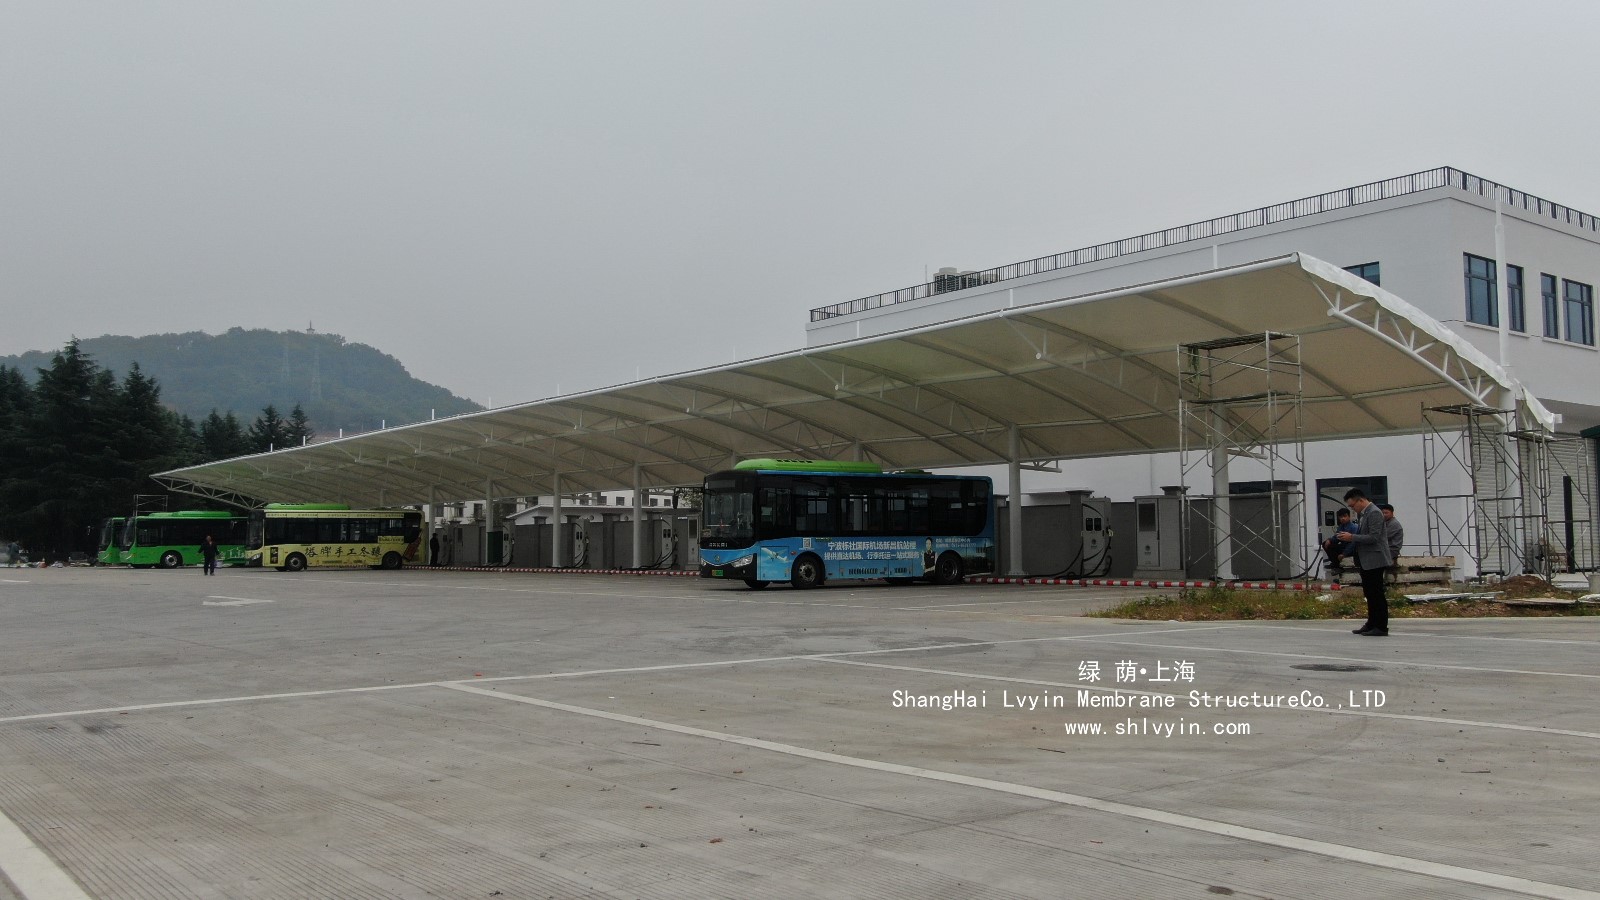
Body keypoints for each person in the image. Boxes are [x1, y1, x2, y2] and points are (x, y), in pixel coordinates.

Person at [1337, 489, 1393, 636]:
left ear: (1360, 500)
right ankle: (1371, 623)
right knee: (1369, 592)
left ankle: (1381, 626)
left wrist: (1352, 537)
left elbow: (1374, 537)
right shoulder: (1365, 514)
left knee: (1376, 593)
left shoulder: (1374, 513)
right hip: (1366, 559)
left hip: (1375, 559)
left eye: (1352, 505)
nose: (1352, 509)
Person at [1321, 509, 1357, 576]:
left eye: (1345, 516)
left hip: (1353, 550)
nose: (1343, 518)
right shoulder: (1341, 527)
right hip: (1344, 547)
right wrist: (1329, 540)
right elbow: (1336, 538)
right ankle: (1335, 564)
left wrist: (1344, 554)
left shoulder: (1354, 527)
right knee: (1326, 544)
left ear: (1349, 517)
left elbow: (1353, 543)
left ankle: (1337, 566)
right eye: (1341, 517)